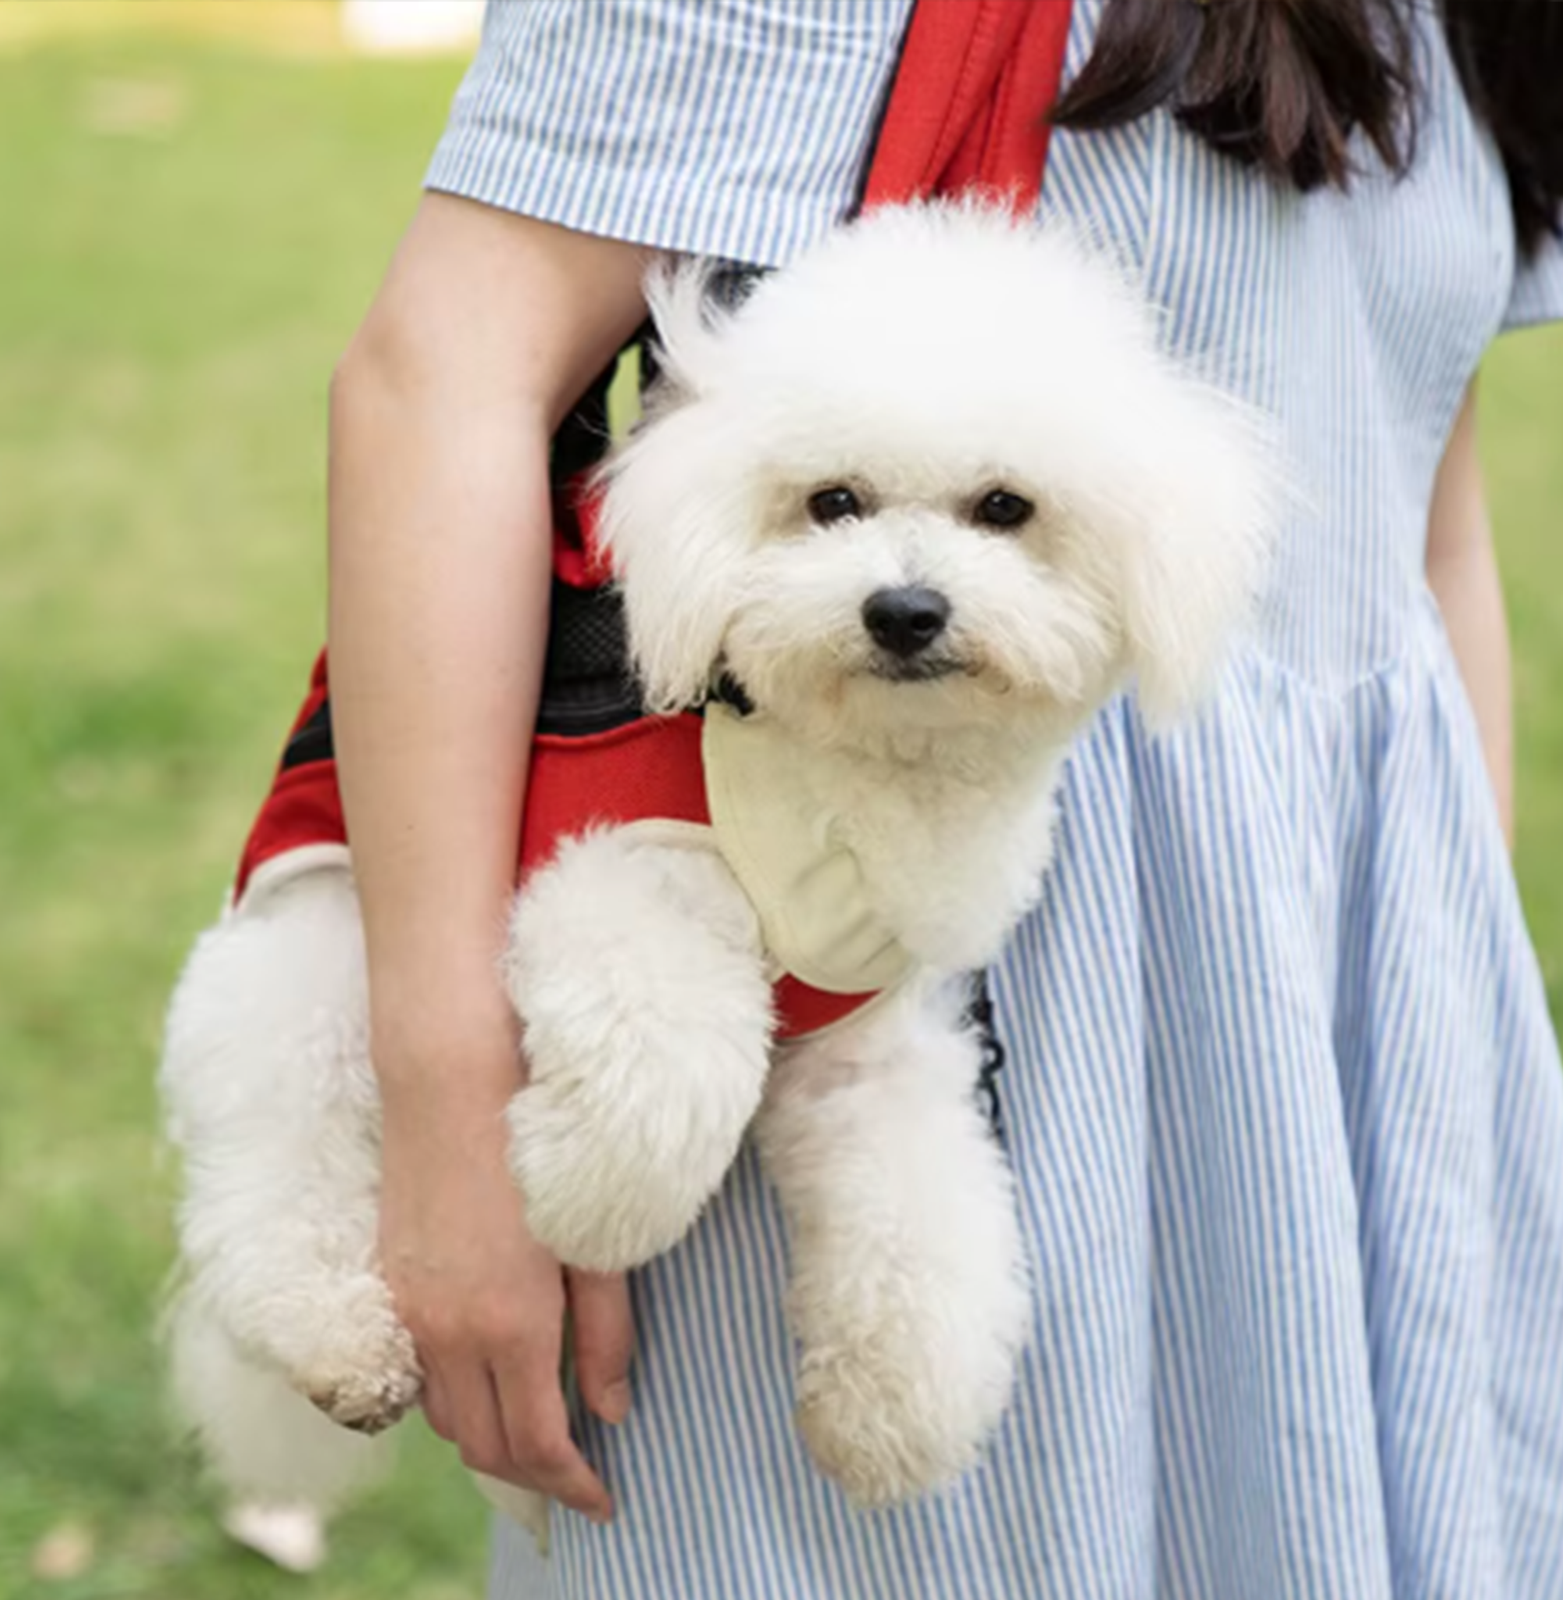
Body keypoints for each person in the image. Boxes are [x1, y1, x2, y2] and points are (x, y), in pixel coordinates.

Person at [320, 0, 1563, 1592]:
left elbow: (1421, 505)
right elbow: (444, 378)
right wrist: (452, 1110)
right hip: (923, 972)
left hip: (1348, 986)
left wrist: (1446, 1004)